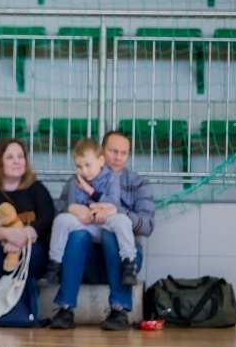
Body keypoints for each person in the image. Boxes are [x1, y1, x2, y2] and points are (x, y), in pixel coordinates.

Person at [49, 131, 156, 331]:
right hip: (86, 257)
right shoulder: (78, 179)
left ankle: (119, 310)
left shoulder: (139, 183)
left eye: (123, 152)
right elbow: (57, 219)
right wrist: (73, 209)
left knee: (111, 234)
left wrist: (115, 210)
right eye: (113, 151)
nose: (117, 157)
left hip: (124, 258)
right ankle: (65, 309)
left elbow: (148, 225)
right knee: (76, 234)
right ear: (101, 153)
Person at [0, 138, 55, 305]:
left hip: (30, 243)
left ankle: (26, 310)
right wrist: (8, 234)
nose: (17, 161)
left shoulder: (37, 188)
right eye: (10, 157)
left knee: (35, 253)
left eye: (20, 156)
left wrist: (22, 237)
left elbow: (47, 219)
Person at [44, 138, 137, 284]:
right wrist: (74, 209)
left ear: (101, 161)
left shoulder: (112, 177)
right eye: (79, 166)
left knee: (123, 220)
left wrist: (90, 191)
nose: (84, 171)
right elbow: (72, 205)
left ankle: (129, 263)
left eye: (88, 165)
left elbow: (113, 202)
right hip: (86, 223)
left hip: (105, 223)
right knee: (61, 220)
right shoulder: (75, 181)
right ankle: (54, 264)